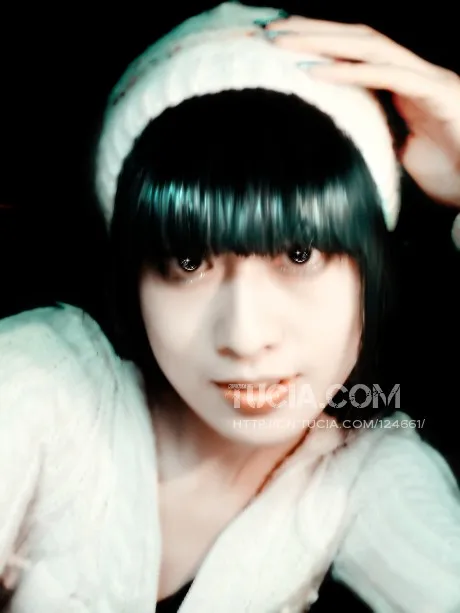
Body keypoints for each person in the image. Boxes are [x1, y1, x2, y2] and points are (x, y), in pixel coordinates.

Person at [1, 3, 459, 612]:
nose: (244, 336)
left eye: (299, 254)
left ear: (369, 272)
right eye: (188, 261)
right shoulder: (43, 384)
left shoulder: (365, 477)